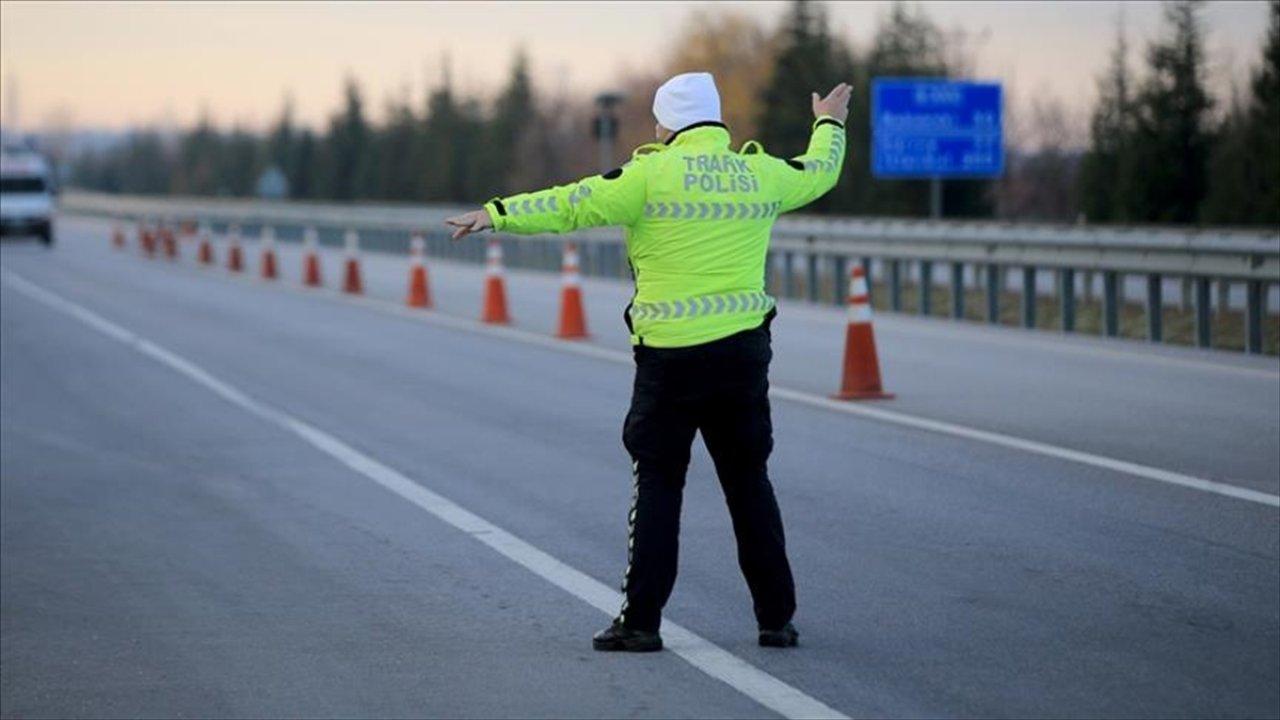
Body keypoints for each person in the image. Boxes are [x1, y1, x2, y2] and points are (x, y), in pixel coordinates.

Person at [445, 72, 850, 652]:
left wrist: (497, 213)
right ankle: (775, 619)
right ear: (714, 120)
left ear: (668, 124)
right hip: (742, 355)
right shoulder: (758, 172)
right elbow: (820, 172)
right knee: (748, 483)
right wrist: (828, 123)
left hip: (670, 361)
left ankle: (641, 623)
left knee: (660, 484)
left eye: (658, 119)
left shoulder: (648, 174)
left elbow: (572, 203)